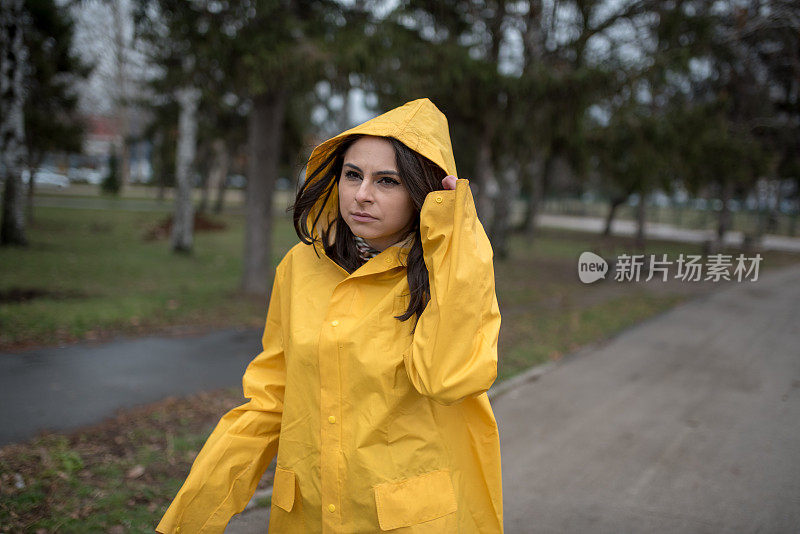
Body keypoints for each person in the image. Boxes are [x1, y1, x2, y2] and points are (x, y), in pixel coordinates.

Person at [155, 97, 503, 533]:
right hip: (307, 517)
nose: (361, 195)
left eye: (387, 181)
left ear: (423, 192)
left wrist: (453, 239)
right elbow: (268, 402)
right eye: (352, 175)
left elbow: (447, 378)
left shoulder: (448, 275)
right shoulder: (299, 268)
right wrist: (189, 520)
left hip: (408, 522)